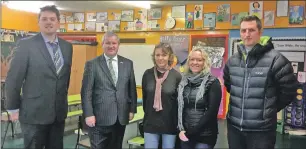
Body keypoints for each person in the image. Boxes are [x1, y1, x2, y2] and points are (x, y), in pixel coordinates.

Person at [223, 15, 299, 149]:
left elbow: (289, 90)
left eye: (251, 30)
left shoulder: (276, 60)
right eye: (243, 30)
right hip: (235, 128)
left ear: (260, 31)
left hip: (261, 131)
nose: (247, 34)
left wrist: (268, 109)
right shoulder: (232, 61)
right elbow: (230, 86)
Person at [5, 5, 73, 149]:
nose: (49, 22)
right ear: (39, 22)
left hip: (58, 113)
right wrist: (12, 108)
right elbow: (13, 78)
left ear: (58, 23)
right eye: (44, 19)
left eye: (52, 19)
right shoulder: (26, 45)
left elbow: (64, 78)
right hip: (33, 114)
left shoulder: (67, 47)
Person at [81, 31, 137, 149]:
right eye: (108, 43)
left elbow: (131, 88)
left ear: (118, 45)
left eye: (114, 43)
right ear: (102, 45)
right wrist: (88, 114)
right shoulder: (92, 64)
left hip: (120, 117)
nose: (111, 46)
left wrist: (132, 109)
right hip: (98, 118)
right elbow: (86, 92)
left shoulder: (127, 63)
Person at [177, 48, 222, 149]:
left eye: (199, 60)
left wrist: (192, 132)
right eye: (192, 59)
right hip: (185, 133)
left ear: (205, 62)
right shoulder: (184, 82)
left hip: (205, 135)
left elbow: (212, 112)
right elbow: (181, 108)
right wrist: (182, 130)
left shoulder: (213, 82)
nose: (195, 62)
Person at [141, 43, 182, 149]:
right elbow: (146, 100)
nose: (160, 58)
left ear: (169, 57)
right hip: (151, 123)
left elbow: (179, 103)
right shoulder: (147, 74)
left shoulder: (176, 76)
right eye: (157, 55)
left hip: (169, 123)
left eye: (164, 55)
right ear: (154, 56)